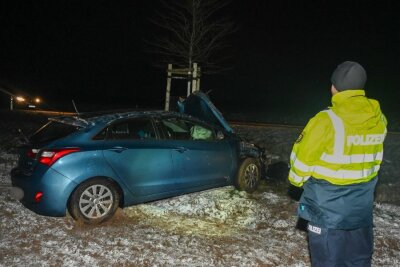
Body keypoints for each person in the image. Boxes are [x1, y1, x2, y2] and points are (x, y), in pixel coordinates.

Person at [288, 61, 387, 267]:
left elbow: (302, 162)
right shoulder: (378, 119)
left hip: (327, 211)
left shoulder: (326, 120)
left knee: (328, 262)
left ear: (334, 87)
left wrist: (296, 180)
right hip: (361, 210)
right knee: (358, 261)